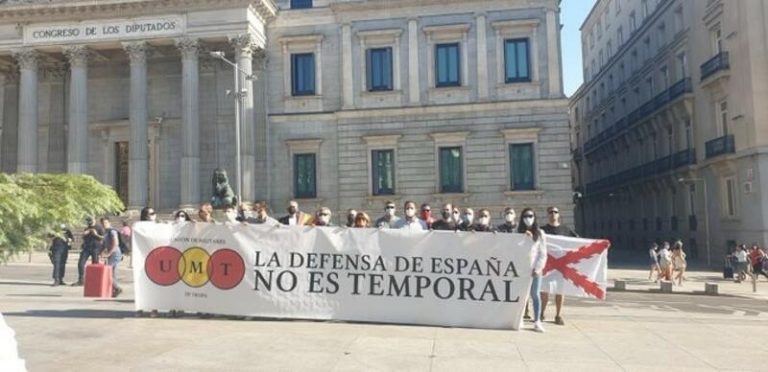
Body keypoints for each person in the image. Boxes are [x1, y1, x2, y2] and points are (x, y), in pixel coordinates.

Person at [540, 206, 578, 326]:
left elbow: (578, 242)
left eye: (555, 212)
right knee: (543, 291)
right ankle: (541, 312)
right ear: (547, 214)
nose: (553, 214)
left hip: (561, 266)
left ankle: (558, 315)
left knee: (560, 291)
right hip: (546, 265)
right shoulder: (542, 230)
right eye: (550, 212)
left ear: (558, 214)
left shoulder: (566, 230)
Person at [518, 208, 547, 333]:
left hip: (535, 269)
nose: (528, 218)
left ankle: (537, 321)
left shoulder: (540, 233)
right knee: (521, 295)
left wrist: (538, 268)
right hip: (520, 269)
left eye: (530, 215)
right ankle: (519, 319)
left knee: (535, 295)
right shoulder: (517, 231)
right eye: (525, 216)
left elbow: (543, 253)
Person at [72, 217, 103, 286]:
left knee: (95, 264)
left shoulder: (99, 227)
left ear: (94, 219)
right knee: (81, 263)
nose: (89, 222)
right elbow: (83, 237)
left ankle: (95, 281)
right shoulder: (87, 228)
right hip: (86, 248)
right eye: (88, 221)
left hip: (95, 248)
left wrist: (96, 234)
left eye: (90, 220)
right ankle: (81, 280)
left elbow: (103, 237)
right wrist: (84, 234)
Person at [100, 217, 123, 298]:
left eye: (106, 223)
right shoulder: (105, 232)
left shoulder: (112, 231)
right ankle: (114, 289)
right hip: (111, 254)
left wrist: (109, 253)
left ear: (109, 223)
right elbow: (104, 244)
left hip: (115, 254)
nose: (104, 224)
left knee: (109, 272)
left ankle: (117, 288)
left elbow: (116, 243)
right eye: (103, 223)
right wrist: (102, 252)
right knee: (111, 272)